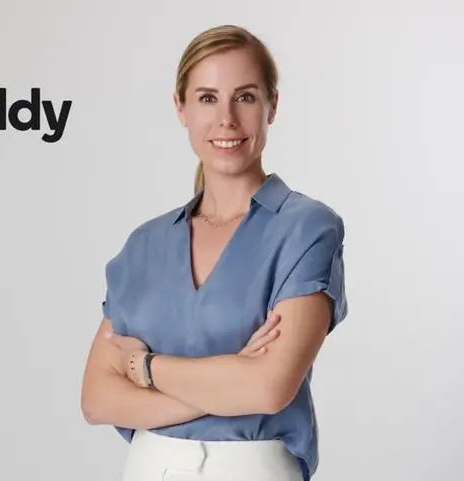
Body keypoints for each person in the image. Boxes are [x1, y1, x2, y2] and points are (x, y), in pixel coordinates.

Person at [80, 24, 349, 481]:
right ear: (180, 107)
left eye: (244, 97)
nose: (226, 119)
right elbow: (97, 399)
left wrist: (144, 367)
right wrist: (227, 382)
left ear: (272, 105)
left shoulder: (306, 228)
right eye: (207, 98)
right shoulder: (146, 244)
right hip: (149, 468)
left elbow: (267, 389)